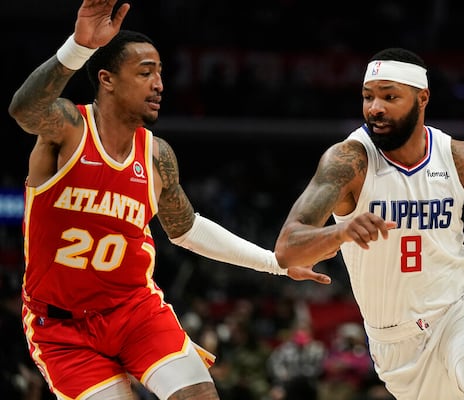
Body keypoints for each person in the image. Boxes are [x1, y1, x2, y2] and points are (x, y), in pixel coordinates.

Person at [8, 1, 331, 399]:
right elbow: (24, 110)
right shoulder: (68, 128)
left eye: (160, 73)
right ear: (106, 79)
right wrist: (79, 45)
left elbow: (187, 228)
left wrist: (276, 263)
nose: (159, 83)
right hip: (61, 329)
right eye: (145, 73)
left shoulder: (157, 154)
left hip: (134, 310)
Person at [274, 47, 464, 400]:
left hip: (462, 311)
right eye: (368, 97)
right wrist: (339, 231)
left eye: (390, 97)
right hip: (394, 342)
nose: (375, 108)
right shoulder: (347, 161)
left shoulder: (460, 158)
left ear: (422, 98)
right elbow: (287, 249)